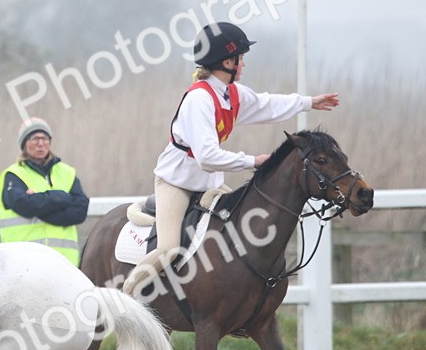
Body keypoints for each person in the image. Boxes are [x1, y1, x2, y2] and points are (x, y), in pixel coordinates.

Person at [120, 21, 340, 297]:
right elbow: (207, 157)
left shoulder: (230, 93)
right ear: (227, 62)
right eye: (241, 58)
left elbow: (267, 104)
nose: (244, 64)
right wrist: (253, 161)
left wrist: (309, 102)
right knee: (169, 249)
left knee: (241, 223)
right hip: (177, 183)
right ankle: (125, 296)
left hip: (208, 184)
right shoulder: (199, 99)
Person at [0, 117, 89, 265]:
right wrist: (62, 197)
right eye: (34, 138)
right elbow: (24, 205)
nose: (40, 143)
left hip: (64, 262)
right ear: (24, 143)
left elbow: (79, 212)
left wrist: (40, 207)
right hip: (24, 261)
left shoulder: (67, 172)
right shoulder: (13, 175)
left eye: (44, 138)